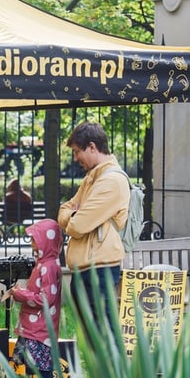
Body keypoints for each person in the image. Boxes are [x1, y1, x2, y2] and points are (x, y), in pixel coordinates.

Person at [57, 121, 130, 324]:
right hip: (86, 269)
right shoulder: (92, 177)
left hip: (99, 270)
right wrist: (72, 215)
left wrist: (73, 217)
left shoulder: (111, 181)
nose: (75, 158)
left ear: (92, 147)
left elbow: (76, 226)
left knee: (103, 336)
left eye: (77, 151)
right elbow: (64, 210)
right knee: (91, 339)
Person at [7, 219, 64, 378]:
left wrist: (20, 294)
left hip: (40, 329)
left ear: (45, 243)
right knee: (33, 367)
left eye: (35, 240)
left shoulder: (48, 267)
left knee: (41, 369)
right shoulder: (43, 264)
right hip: (33, 327)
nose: (32, 244)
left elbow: (46, 299)